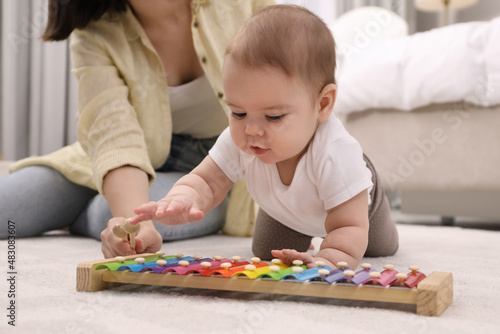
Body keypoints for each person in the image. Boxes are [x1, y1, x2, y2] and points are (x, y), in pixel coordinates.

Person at [130, 5, 399, 270]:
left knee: (373, 245)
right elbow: (207, 181)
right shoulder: (243, 137)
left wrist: (326, 260)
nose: (252, 130)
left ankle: (374, 226)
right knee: (266, 250)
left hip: (355, 203)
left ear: (323, 105)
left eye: (273, 117)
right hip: (285, 210)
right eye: (238, 112)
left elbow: (347, 226)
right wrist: (184, 196)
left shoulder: (336, 154)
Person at [0, 0, 274, 258]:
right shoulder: (96, 30)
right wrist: (133, 224)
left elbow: (292, 81)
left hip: (223, 168)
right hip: (130, 155)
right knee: (8, 204)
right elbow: (113, 138)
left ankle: (84, 214)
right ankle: (86, 210)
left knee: (106, 212)